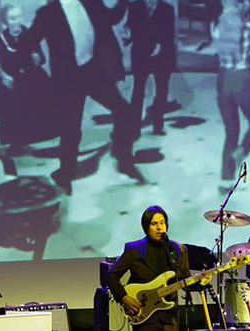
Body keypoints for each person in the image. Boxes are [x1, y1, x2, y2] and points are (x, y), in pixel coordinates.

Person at [21, 0, 143, 195]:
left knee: (124, 110)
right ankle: (65, 174)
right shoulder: (48, 13)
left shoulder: (91, 3)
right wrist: (27, 57)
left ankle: (123, 159)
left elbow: (111, 17)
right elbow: (27, 42)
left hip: (91, 71)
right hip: (68, 78)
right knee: (71, 128)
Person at [211, 0, 250, 187]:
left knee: (231, 130)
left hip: (223, 79)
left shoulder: (216, 25)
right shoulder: (248, 28)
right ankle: (243, 150)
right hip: (242, 80)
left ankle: (226, 179)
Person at [0, 4, 58, 150]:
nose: (16, 21)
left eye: (18, 17)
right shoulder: (1, 38)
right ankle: (17, 138)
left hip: (32, 74)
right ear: (5, 20)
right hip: (14, 77)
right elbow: (2, 63)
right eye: (12, 18)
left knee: (44, 88)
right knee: (14, 96)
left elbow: (42, 58)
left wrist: (37, 58)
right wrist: (6, 75)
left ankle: (44, 133)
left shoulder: (29, 33)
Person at [125, 0, 177, 137]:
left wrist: (159, 45)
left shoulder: (167, 9)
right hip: (141, 53)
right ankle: (134, 127)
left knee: (161, 90)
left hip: (161, 55)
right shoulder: (135, 7)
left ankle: (158, 126)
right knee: (138, 90)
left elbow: (170, 33)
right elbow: (131, 28)